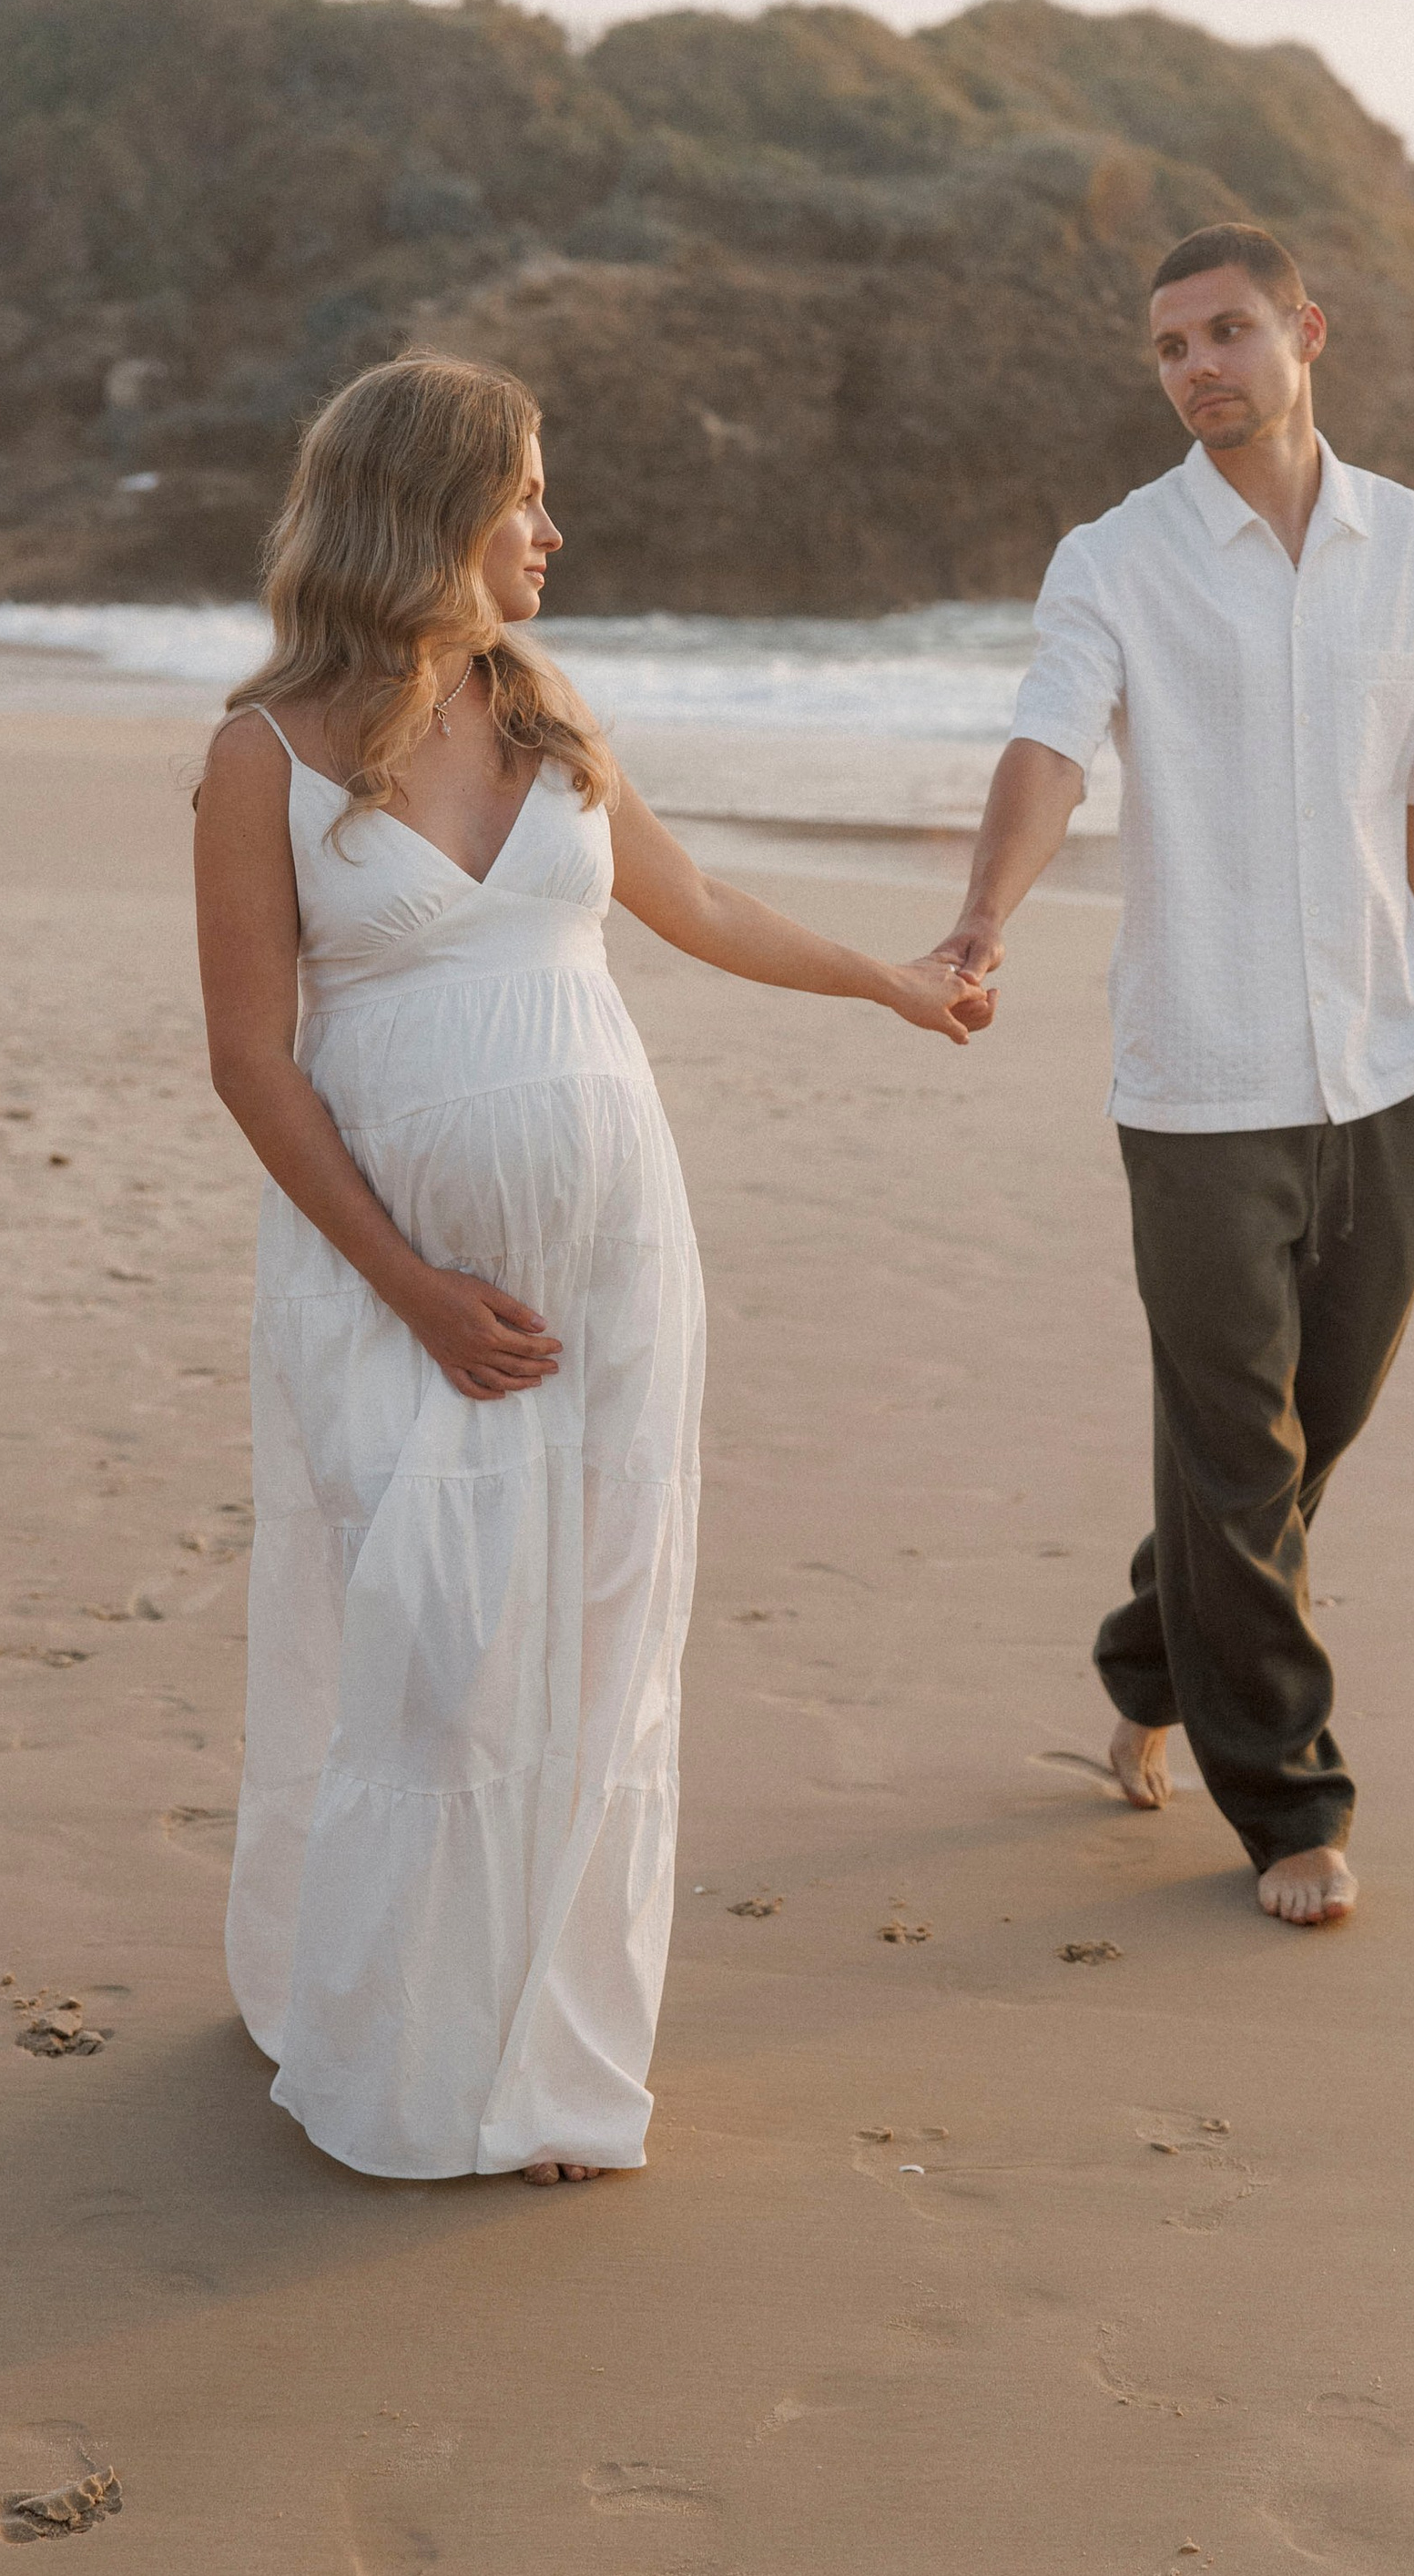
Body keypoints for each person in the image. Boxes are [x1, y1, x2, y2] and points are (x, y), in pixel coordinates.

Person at [194, 353, 986, 2183]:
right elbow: (251, 1058)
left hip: (615, 1264)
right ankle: (398, 2043)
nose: (553, 527)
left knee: (601, 1644)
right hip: (394, 1283)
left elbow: (692, 907)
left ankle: (545, 2064)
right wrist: (410, 1287)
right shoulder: (263, 756)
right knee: (440, 1653)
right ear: (428, 508)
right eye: (525, 495)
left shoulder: (547, 714)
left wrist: (885, 976)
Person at [929, 224, 1414, 1926]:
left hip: (1396, 1066)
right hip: (1201, 1080)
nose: (1199, 369)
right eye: (1171, 346)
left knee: (1310, 1429)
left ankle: (1142, 1650)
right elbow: (1049, 750)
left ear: (1307, 332)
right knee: (1236, 1448)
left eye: (1229, 332)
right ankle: (1289, 1800)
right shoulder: (1112, 560)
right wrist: (979, 918)